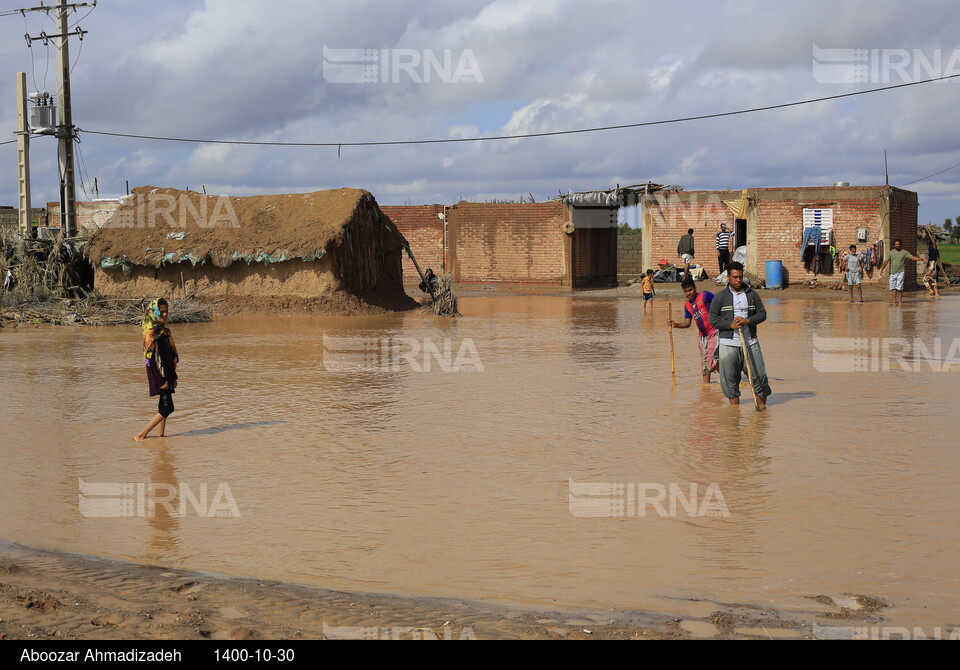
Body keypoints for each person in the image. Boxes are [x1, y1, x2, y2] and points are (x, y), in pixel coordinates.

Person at [708, 262, 772, 410]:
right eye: (735, 277)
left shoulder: (751, 295)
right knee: (730, 381)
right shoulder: (720, 297)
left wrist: (747, 321)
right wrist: (729, 325)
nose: (738, 280)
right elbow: (713, 318)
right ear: (728, 277)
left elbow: (762, 314)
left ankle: (761, 410)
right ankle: (734, 414)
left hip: (750, 343)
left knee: (759, 377)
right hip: (728, 345)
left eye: (741, 277)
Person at [134, 298, 180, 442]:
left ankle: (161, 438)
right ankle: (141, 434)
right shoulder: (151, 332)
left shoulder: (164, 329)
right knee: (168, 408)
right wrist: (162, 378)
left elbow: (169, 353)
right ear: (154, 311)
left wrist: (173, 375)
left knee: (163, 403)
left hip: (166, 370)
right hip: (159, 372)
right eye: (162, 312)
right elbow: (151, 358)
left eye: (166, 311)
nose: (165, 314)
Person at [668, 278, 719, 383]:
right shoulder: (687, 306)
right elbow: (687, 323)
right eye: (686, 291)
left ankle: (728, 378)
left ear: (695, 288)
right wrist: (676, 324)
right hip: (702, 336)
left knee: (711, 358)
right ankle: (706, 388)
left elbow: (719, 303)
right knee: (704, 364)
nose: (688, 293)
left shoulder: (705, 295)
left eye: (690, 290)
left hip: (714, 331)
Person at [877, 239, 926, 305]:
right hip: (892, 273)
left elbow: (912, 257)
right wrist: (882, 269)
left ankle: (900, 300)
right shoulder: (890, 253)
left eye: (898, 244)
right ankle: (894, 300)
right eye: (896, 244)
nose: (897, 245)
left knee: (899, 287)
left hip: (900, 272)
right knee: (893, 287)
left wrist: (920, 259)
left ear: (900, 245)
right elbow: (886, 261)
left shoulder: (904, 252)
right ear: (894, 245)